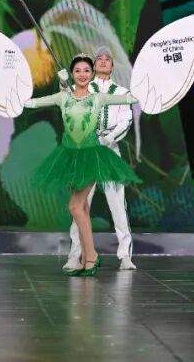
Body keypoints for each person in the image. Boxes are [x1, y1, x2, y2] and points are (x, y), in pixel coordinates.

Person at [24, 54, 138, 277]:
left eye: (86, 70)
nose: (83, 74)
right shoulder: (67, 93)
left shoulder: (103, 95)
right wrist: (16, 100)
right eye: (78, 70)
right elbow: (48, 100)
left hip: (97, 155)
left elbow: (130, 102)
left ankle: (109, 256)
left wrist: (154, 93)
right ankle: (81, 257)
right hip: (71, 157)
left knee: (86, 206)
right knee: (81, 208)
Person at [62, 46, 137, 272]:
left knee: (117, 203)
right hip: (87, 151)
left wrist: (109, 137)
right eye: (99, 58)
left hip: (109, 151)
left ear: (112, 65)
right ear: (93, 65)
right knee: (81, 204)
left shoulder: (121, 92)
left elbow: (126, 120)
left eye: (108, 59)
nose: (103, 61)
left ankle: (125, 256)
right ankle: (75, 255)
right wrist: (63, 84)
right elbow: (69, 108)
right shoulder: (83, 89)